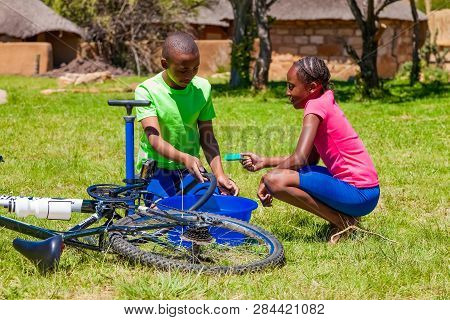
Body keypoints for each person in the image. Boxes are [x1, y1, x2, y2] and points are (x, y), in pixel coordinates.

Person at [241, 56, 379, 244]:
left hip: (359, 194)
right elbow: (307, 161)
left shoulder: (314, 108)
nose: (287, 92)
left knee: (274, 181)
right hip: (366, 192)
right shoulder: (324, 100)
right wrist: (264, 161)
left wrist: (267, 176)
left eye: (291, 86)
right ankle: (343, 218)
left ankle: (343, 222)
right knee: (294, 174)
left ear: (312, 87)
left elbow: (298, 159)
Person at [134, 31, 238, 201]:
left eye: (195, 68)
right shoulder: (147, 90)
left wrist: (220, 175)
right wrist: (184, 157)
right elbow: (154, 140)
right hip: (157, 168)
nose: (189, 75)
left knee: (210, 203)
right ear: (164, 64)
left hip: (190, 167)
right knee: (162, 212)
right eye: (182, 70)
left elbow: (207, 136)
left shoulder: (202, 88)